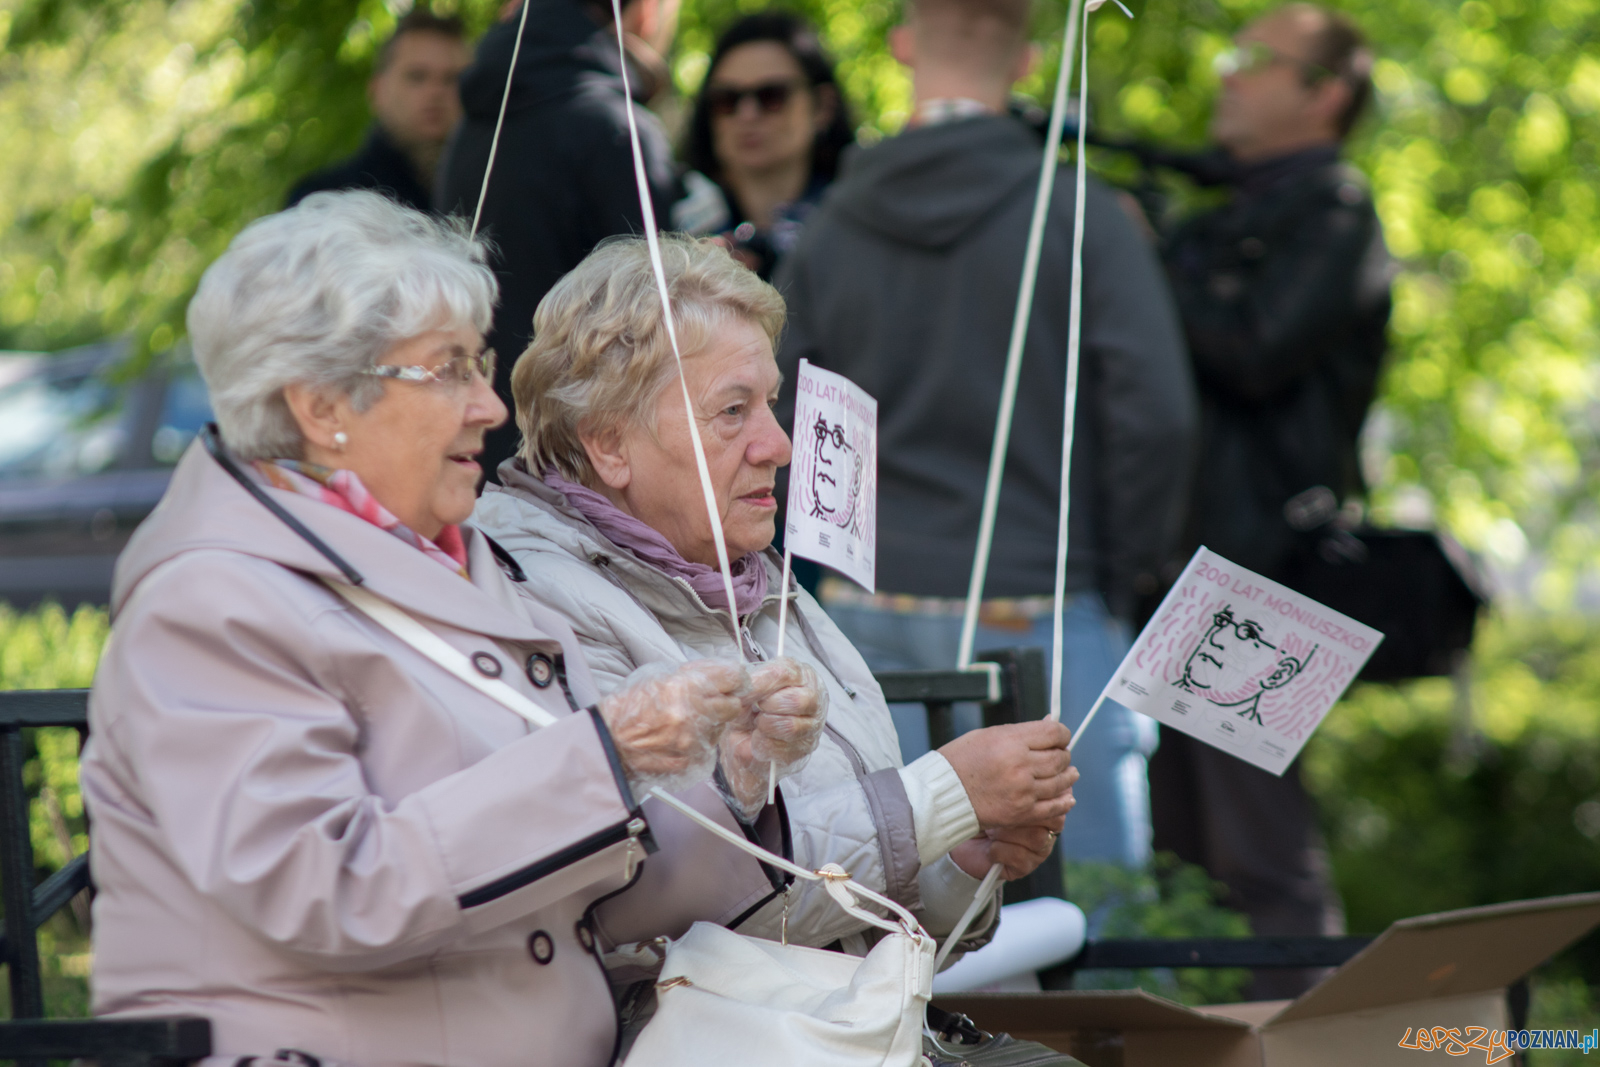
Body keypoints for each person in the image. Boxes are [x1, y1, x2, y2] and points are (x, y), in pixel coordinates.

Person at [81, 191, 824, 1066]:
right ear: (322, 405)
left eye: (480, 363)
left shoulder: (458, 564)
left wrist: (729, 787)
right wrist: (606, 756)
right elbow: (328, 888)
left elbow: (587, 894)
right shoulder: (210, 602)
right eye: (448, 370)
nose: (490, 405)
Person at [473, 235, 1078, 975]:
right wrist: (937, 796)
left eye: (771, 402)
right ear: (609, 444)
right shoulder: (530, 604)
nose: (780, 443)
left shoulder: (762, 584)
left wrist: (959, 857)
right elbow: (669, 922)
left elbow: (871, 934)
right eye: (733, 411)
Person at [774, 0, 1197, 870]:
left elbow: (784, 417)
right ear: (1028, 61)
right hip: (1044, 605)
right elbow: (1157, 415)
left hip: (865, 614)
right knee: (1095, 930)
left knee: (885, 913)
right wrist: (1119, 572)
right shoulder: (1083, 214)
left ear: (900, 44)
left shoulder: (830, 224)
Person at [1149, 3, 1390, 999]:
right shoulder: (1230, 215)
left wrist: (1150, 251)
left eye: (1256, 60)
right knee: (1180, 856)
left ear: (1325, 93)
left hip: (1259, 575)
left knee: (1263, 859)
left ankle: (1313, 1044)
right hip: (1182, 568)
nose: (1227, 75)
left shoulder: (1336, 207)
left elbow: (1252, 348)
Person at [437, 0, 681, 482]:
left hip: (470, 446)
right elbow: (648, 334)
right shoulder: (618, 129)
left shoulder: (469, 128)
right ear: (647, 12)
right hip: (582, 473)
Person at [672, 12, 856, 281]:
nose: (747, 115)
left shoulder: (863, 219)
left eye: (771, 96)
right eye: (727, 100)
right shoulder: (670, 223)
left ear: (822, 106)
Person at [286, 10, 469, 212]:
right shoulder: (322, 201)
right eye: (417, 77)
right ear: (378, 91)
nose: (436, 91)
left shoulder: (492, 193)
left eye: (452, 79)